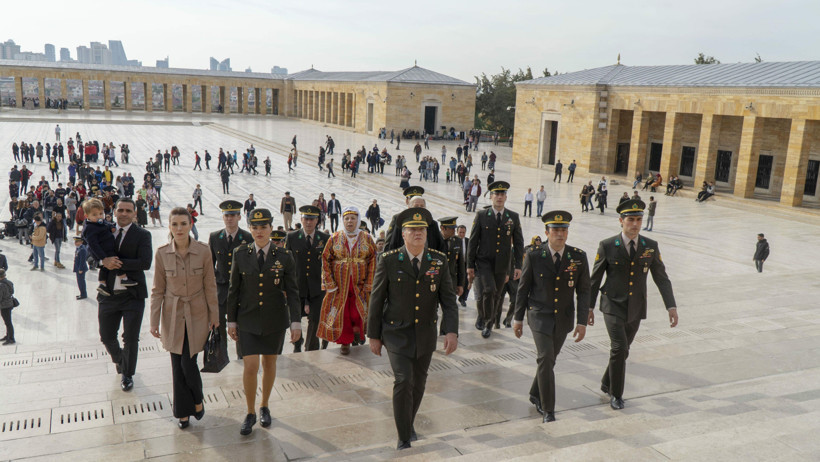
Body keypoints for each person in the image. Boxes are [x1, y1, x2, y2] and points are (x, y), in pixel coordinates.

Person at [367, 207, 459, 450]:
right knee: (403, 380)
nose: (418, 233)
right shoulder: (388, 260)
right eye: (412, 229)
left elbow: (448, 300)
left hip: (425, 333)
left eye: (422, 229)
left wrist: (451, 331)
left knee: (418, 383)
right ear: (403, 234)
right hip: (396, 332)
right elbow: (376, 300)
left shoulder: (438, 261)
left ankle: (408, 422)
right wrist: (373, 335)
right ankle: (404, 437)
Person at [589, 199, 678, 410]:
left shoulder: (650, 246)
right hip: (612, 305)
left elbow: (661, 277)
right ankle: (616, 395)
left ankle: (606, 381)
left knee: (624, 350)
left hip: (636, 307)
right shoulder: (608, 245)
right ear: (621, 221)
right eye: (631, 220)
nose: (635, 224)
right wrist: (588, 308)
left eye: (639, 219)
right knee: (619, 347)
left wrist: (671, 306)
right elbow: (594, 279)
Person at [227, 208, 301, 436]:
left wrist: (296, 322)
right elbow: (233, 290)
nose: (259, 232)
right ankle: (250, 412)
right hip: (247, 318)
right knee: (250, 366)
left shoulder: (285, 257)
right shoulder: (240, 254)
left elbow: (293, 291)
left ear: (271, 228)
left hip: (274, 319)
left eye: (263, 227)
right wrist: (231, 321)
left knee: (269, 364)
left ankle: (264, 406)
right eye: (255, 227)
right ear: (250, 229)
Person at [513, 211, 590, 423]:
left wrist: (582, 321)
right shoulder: (535, 255)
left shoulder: (578, 256)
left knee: (549, 360)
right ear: (546, 232)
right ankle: (548, 409)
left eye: (563, 230)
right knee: (546, 357)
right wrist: (517, 318)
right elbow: (523, 288)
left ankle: (534, 393)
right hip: (539, 316)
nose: (560, 234)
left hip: (563, 318)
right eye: (555, 230)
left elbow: (584, 291)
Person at [150, 207, 219, 429]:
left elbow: (210, 285)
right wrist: (153, 320)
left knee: (188, 363)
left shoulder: (203, 251)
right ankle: (183, 412)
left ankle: (197, 398)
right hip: (173, 315)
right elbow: (157, 290)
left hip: (198, 314)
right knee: (176, 364)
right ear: (169, 227)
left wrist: (215, 315)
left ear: (191, 225)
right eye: (174, 224)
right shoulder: (162, 253)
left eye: (183, 224)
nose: (179, 228)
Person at [97, 198, 154, 392]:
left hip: (133, 294)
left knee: (130, 338)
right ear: (114, 211)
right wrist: (103, 262)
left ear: (135, 214)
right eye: (120, 210)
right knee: (106, 335)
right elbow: (92, 253)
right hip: (109, 294)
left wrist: (116, 263)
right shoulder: (105, 232)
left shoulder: (143, 235)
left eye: (128, 211)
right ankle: (121, 360)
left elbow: (145, 262)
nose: (123, 214)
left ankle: (127, 374)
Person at [467, 181, 524, 338]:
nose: (499, 197)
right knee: (489, 290)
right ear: (491, 196)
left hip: (503, 263)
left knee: (497, 295)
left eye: (502, 194)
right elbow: (473, 241)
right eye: (496, 194)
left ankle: (487, 319)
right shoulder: (482, 215)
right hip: (484, 261)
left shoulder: (513, 217)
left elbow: (519, 243)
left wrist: (518, 266)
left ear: (506, 197)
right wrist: (469, 265)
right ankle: (487, 322)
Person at [317, 206, 377, 355]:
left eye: (353, 218)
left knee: (357, 311)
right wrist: (329, 283)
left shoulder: (367, 238)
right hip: (339, 284)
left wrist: (370, 282)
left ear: (358, 220)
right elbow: (326, 259)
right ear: (342, 220)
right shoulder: (334, 238)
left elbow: (374, 260)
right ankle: (345, 342)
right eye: (347, 218)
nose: (350, 221)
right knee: (342, 313)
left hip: (359, 283)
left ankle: (357, 333)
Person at [208, 200, 253, 360]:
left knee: (241, 329)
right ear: (223, 217)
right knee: (219, 329)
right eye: (227, 215)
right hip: (220, 292)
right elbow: (209, 265)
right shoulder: (214, 237)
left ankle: (243, 359)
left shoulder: (247, 237)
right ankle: (222, 360)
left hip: (240, 292)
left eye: (233, 215)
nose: (230, 218)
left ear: (239, 217)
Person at [285, 205, 329, 352]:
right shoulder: (291, 237)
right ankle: (297, 344)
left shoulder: (325, 238)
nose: (308, 222)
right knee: (295, 318)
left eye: (312, 219)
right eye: (306, 219)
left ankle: (312, 348)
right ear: (301, 219)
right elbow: (286, 262)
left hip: (317, 287)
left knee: (315, 320)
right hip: (297, 286)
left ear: (317, 220)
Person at [82, 198, 138, 296]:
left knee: (110, 264)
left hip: (108, 248)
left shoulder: (99, 222)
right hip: (103, 251)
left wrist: (110, 227)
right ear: (87, 216)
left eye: (101, 213)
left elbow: (105, 224)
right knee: (112, 263)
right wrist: (103, 258)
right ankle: (120, 279)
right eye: (94, 215)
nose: (99, 217)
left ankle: (105, 284)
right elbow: (92, 245)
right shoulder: (90, 228)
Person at [384, 187, 447, 253]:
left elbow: (441, 247)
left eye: (422, 206)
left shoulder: (431, 223)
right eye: (416, 206)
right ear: (409, 205)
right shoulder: (400, 221)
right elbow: (391, 245)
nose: (419, 209)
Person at [439, 217, 466, 330]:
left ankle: (444, 332)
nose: (454, 231)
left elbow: (460, 264)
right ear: (443, 228)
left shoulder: (457, 241)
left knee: (449, 307)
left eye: (454, 228)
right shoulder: (435, 240)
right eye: (451, 228)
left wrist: (460, 284)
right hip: (435, 280)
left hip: (451, 281)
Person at [0, 269, 15, 345]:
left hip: (4, 305)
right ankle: (8, 335)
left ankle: (11, 338)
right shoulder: (9, 282)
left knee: (8, 322)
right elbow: (12, 292)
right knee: (7, 321)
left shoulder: (1, 285)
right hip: (9, 303)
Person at [73, 235, 89, 300]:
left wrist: (80, 269)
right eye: (75, 242)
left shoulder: (82, 249)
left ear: (81, 242)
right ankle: (81, 293)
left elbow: (82, 260)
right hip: (78, 268)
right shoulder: (78, 248)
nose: (76, 243)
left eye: (77, 242)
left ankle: (83, 294)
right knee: (79, 281)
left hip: (80, 268)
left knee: (81, 281)